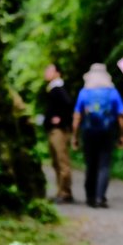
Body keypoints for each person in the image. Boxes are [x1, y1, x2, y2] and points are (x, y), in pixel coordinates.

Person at [71, 63, 123, 208]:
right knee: (104, 166)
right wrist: (122, 136)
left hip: (88, 133)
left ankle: (90, 197)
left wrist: (74, 136)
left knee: (90, 165)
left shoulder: (84, 92)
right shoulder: (112, 92)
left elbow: (77, 117)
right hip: (107, 133)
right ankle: (100, 197)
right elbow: (121, 117)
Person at [42, 63, 74, 203]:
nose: (46, 72)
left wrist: (60, 118)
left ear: (57, 73)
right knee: (56, 162)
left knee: (62, 161)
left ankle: (65, 192)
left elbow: (68, 104)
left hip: (59, 131)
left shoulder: (58, 88)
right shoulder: (52, 88)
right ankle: (61, 190)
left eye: (49, 70)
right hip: (53, 130)